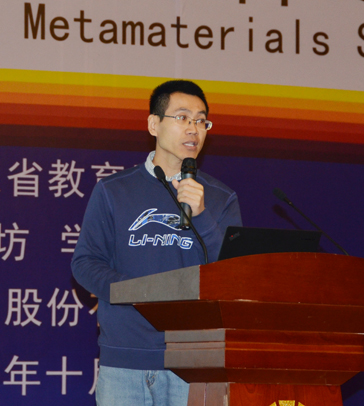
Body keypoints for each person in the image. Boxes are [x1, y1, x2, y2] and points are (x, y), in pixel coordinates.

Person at [71, 80, 242, 406]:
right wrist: (138, 293)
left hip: (195, 361)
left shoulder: (220, 198)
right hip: (125, 360)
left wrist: (202, 216)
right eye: (182, 117)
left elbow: (232, 275)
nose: (193, 129)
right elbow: (85, 263)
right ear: (154, 124)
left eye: (201, 121)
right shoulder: (114, 190)